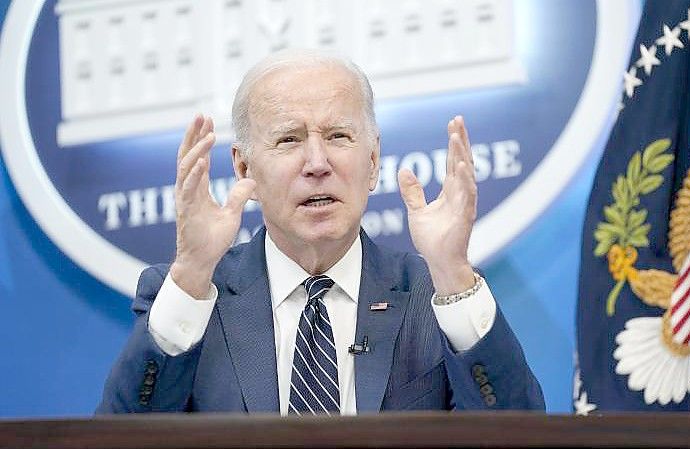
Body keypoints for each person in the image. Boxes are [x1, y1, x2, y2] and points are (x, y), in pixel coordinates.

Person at [97, 49, 545, 414]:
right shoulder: (191, 298)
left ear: (372, 163)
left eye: (338, 137)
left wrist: (452, 273)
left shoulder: (434, 295)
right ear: (243, 167)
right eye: (289, 139)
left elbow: (522, 436)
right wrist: (193, 272)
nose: (317, 163)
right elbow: (119, 442)